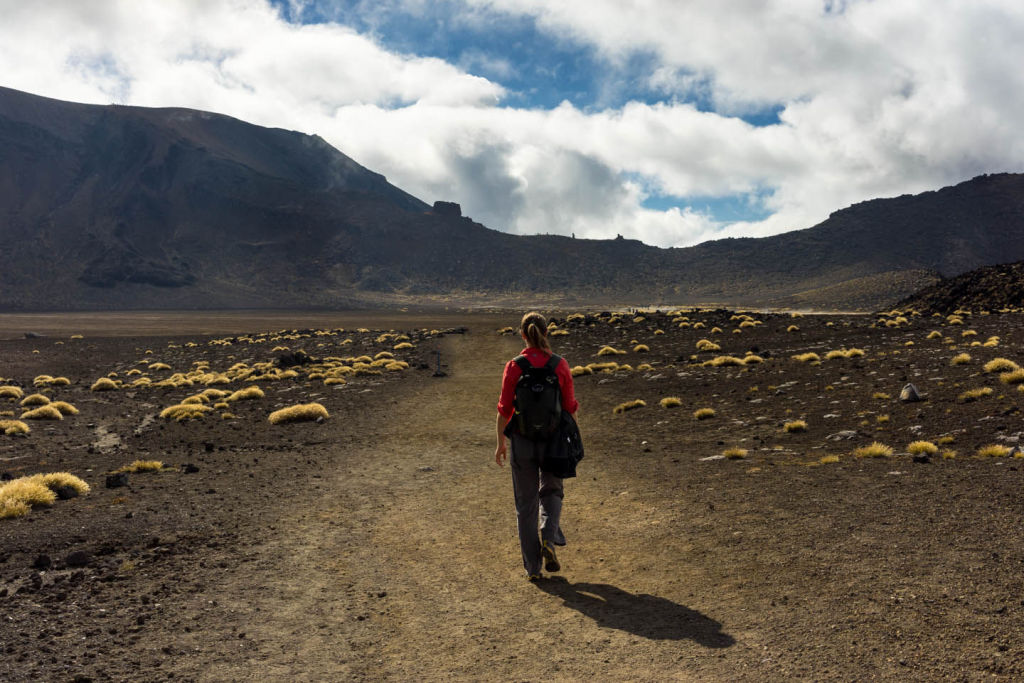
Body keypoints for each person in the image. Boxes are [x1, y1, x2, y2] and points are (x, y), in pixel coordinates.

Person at [495, 311, 580, 581]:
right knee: (552, 490)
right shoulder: (560, 364)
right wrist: (573, 439)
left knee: (526, 504)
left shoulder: (514, 366)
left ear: (523, 335)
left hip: (522, 442)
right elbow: (569, 407)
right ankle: (549, 539)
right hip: (554, 440)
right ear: (546, 333)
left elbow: (504, 409)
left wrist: (500, 443)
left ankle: (533, 569)